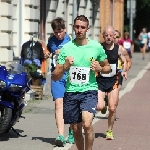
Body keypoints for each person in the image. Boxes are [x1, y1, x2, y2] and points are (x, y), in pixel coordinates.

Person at [52, 15, 111, 150]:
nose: (79, 30)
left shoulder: (96, 47)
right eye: (77, 27)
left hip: (89, 90)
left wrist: (100, 68)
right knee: (76, 129)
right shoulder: (66, 49)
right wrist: (65, 65)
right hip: (71, 92)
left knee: (87, 123)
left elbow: (108, 67)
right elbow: (55, 76)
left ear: (87, 29)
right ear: (73, 28)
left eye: (82, 27)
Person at [46, 17, 74, 147]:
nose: (58, 34)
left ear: (64, 30)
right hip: (57, 75)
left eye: (60, 31)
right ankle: (61, 136)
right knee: (58, 103)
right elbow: (48, 51)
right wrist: (46, 53)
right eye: (55, 32)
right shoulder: (51, 40)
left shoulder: (70, 40)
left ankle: (72, 130)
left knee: (71, 105)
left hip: (70, 76)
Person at [96, 25, 128, 140]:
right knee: (99, 107)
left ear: (114, 36)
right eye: (106, 35)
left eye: (111, 35)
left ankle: (109, 130)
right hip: (100, 81)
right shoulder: (99, 48)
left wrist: (124, 71)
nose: (109, 37)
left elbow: (124, 61)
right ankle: (103, 102)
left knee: (113, 108)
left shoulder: (118, 48)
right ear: (103, 36)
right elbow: (91, 59)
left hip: (113, 81)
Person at [113, 30, 132, 120]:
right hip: (107, 74)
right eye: (113, 36)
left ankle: (113, 111)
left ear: (119, 38)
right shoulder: (105, 48)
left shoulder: (122, 49)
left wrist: (125, 71)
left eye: (117, 37)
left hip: (119, 73)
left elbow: (128, 61)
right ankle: (106, 102)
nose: (114, 38)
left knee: (116, 92)